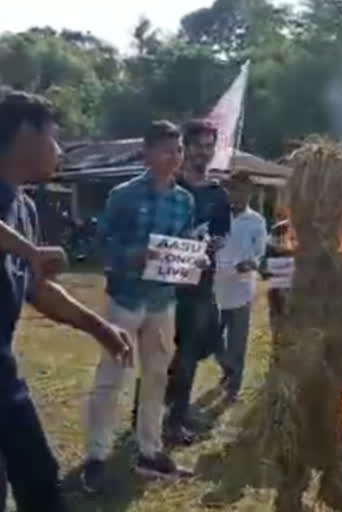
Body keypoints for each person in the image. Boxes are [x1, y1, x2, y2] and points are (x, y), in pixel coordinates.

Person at [0, 90, 132, 511]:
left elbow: (36, 287)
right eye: (54, 138)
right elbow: (30, 260)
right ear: (23, 134)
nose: (59, 151)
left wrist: (99, 327)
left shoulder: (24, 207)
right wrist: (30, 251)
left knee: (39, 483)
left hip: (3, 374)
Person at [81, 120, 196, 494]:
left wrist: (194, 259)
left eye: (178, 150)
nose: (174, 157)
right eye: (167, 149)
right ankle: (96, 456)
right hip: (126, 299)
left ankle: (150, 449)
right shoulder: (123, 195)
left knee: (157, 376)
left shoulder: (185, 200)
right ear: (147, 153)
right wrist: (133, 256)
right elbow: (101, 244)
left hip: (163, 300)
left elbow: (184, 245)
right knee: (112, 376)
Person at [164, 119, 230, 444]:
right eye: (198, 146)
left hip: (201, 283)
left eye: (209, 147)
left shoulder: (219, 194)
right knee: (161, 351)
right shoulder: (170, 188)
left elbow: (222, 232)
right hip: (165, 284)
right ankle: (146, 410)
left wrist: (215, 242)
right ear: (185, 148)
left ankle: (176, 418)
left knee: (189, 352)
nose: (204, 153)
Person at [213, 171, 266, 401]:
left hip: (242, 288)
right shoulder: (216, 216)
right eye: (234, 189)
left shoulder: (256, 221)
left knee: (238, 339)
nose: (238, 195)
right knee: (212, 337)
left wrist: (252, 263)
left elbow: (260, 252)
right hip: (214, 286)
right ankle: (227, 368)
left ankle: (234, 384)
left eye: (243, 191)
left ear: (250, 193)